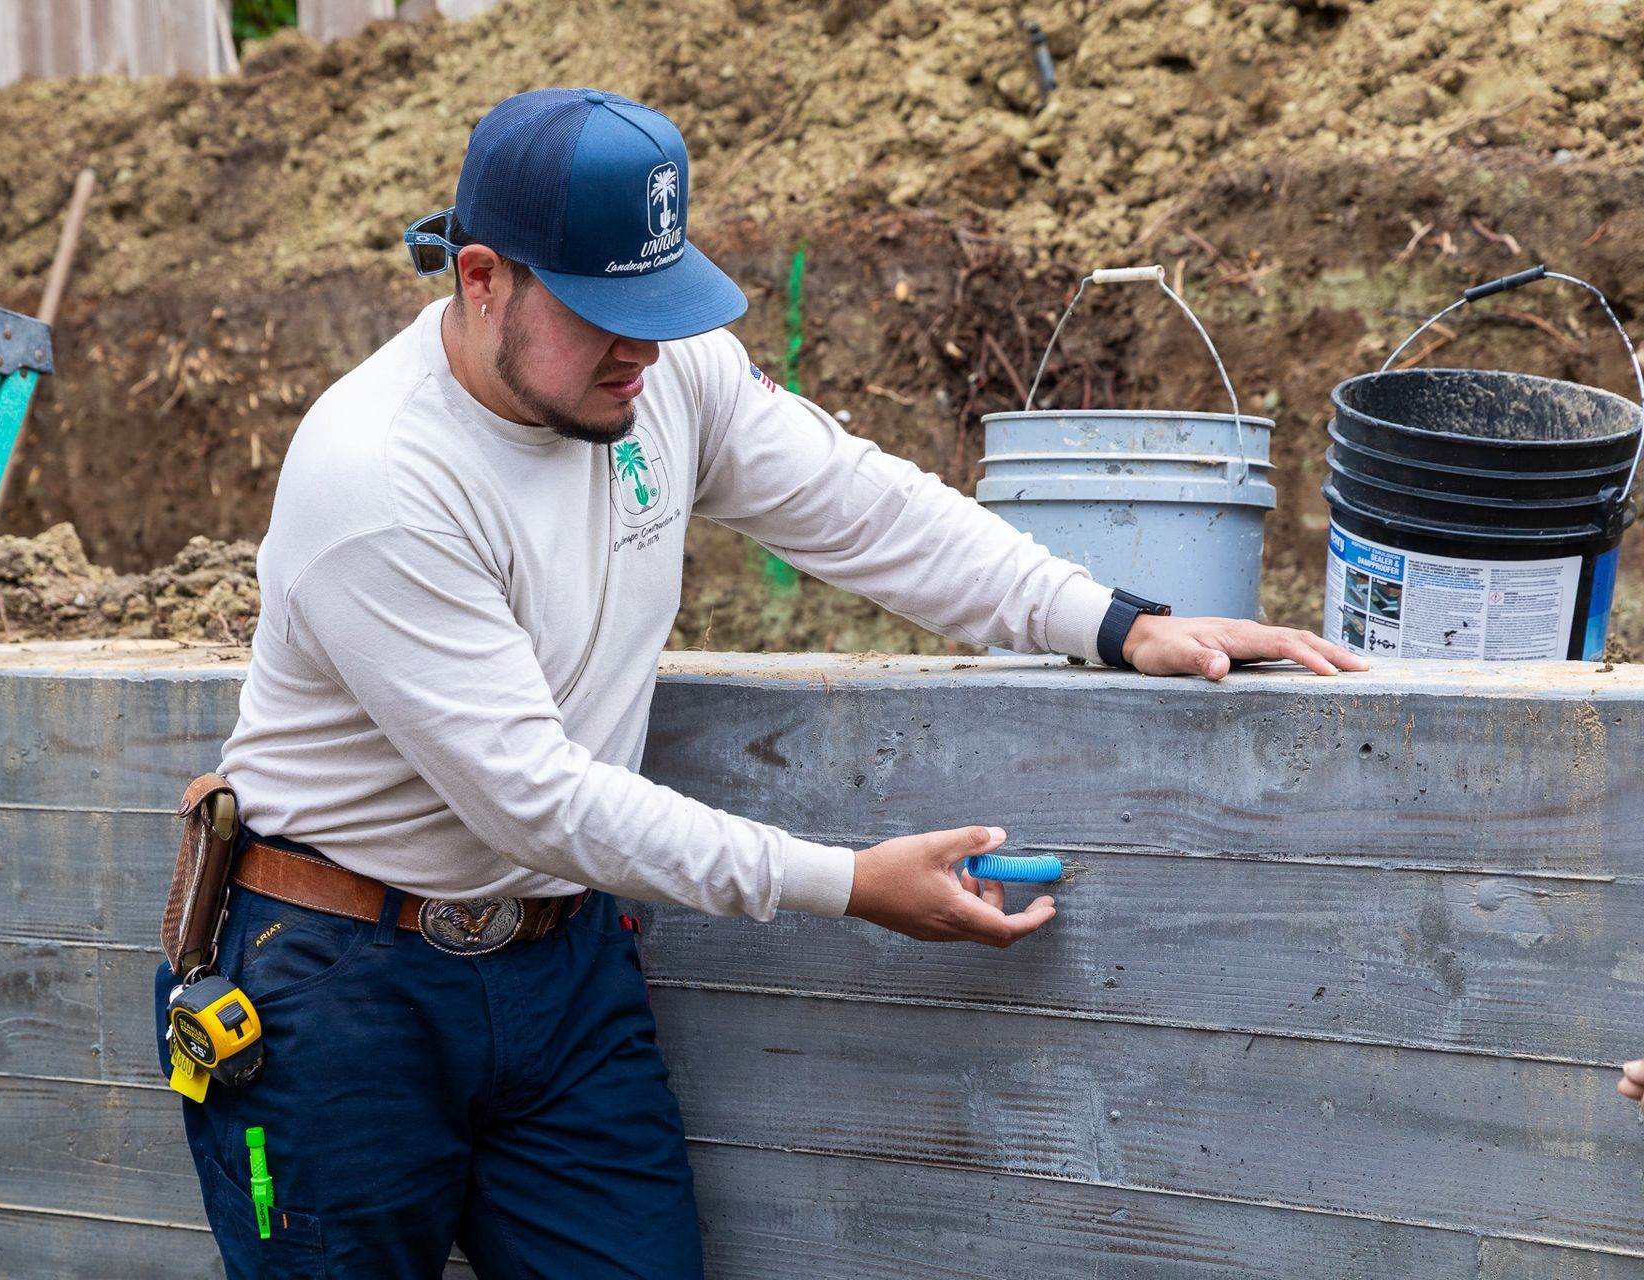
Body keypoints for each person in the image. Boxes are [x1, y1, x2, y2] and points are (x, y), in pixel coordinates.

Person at [160, 86, 1366, 1279]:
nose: (642, 347)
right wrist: (846, 883)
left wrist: (1111, 620)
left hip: (557, 961)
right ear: (483, 278)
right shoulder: (380, 475)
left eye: (660, 303)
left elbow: (861, 505)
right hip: (342, 982)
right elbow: (538, 796)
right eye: (600, 312)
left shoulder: (658, 375)